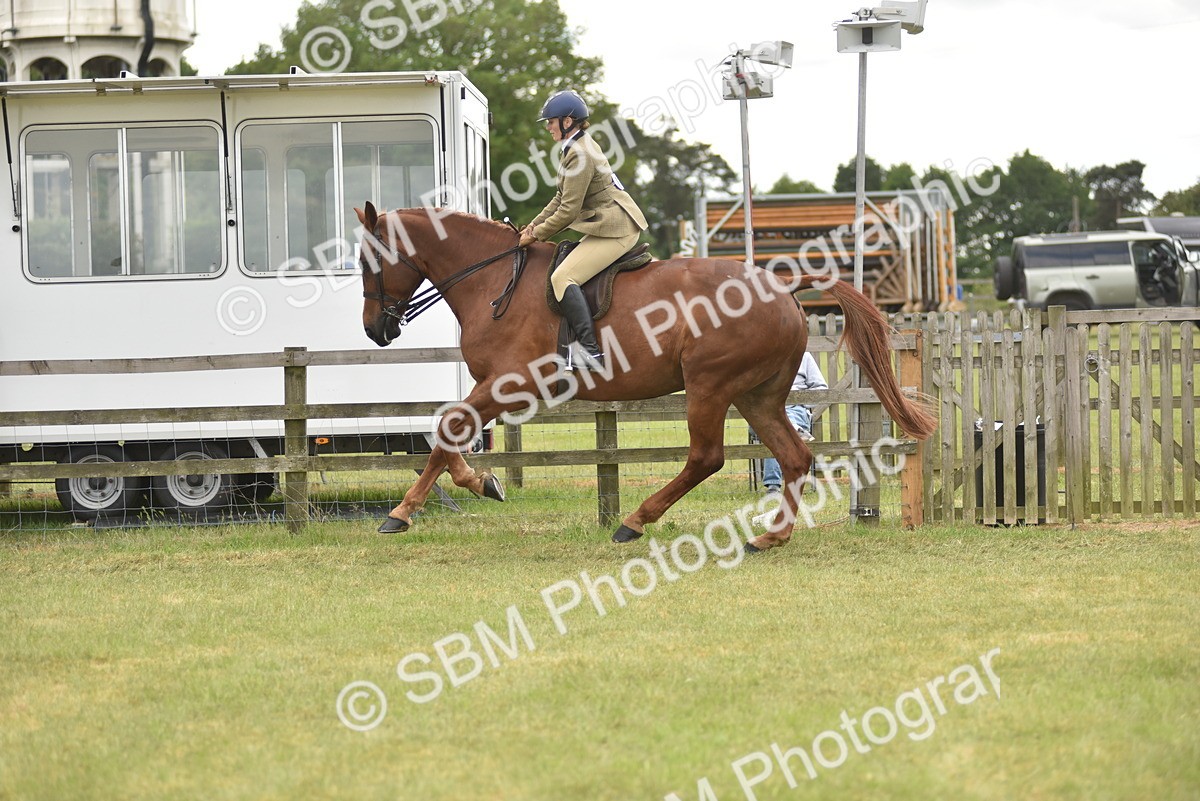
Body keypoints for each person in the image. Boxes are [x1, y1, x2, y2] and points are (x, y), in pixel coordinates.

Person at [519, 90, 648, 372]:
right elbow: (559, 197)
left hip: (617, 229)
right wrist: (532, 225)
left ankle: (590, 352)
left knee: (563, 276)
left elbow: (568, 211)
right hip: (607, 222)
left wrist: (537, 235)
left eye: (551, 121)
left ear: (568, 121)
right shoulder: (575, 147)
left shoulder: (579, 154)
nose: (547, 126)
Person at [759, 352, 827, 495]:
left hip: (796, 409)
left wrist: (799, 401)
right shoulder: (760, 355)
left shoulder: (804, 357)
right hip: (765, 411)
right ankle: (794, 430)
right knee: (775, 426)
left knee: (776, 429)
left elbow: (820, 389)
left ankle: (773, 486)